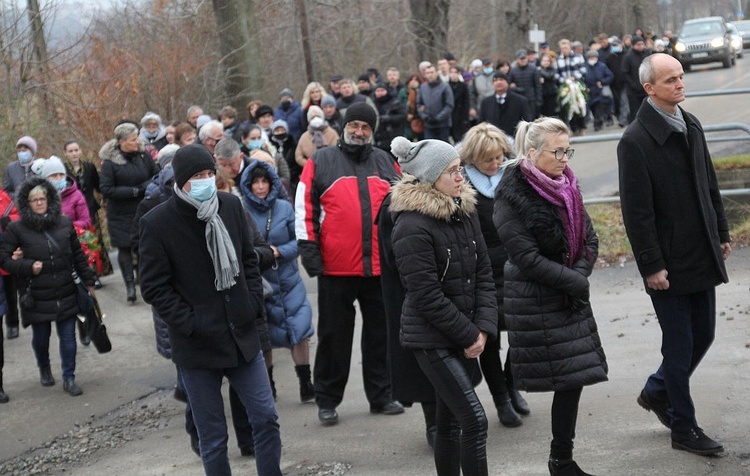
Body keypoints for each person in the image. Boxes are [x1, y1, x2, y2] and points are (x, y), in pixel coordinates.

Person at [138, 144, 282, 475]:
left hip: (242, 334)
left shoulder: (230, 206)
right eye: (197, 176)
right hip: (197, 346)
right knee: (213, 437)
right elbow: (155, 288)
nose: (205, 181)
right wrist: (192, 323)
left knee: (266, 417)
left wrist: (252, 304)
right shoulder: (157, 223)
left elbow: (249, 259)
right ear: (180, 180)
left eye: (208, 174)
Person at [617, 53, 730, 457]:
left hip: (700, 251)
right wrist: (651, 264)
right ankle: (683, 427)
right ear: (649, 89)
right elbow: (637, 211)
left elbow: (709, 183)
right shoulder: (634, 141)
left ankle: (655, 390)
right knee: (679, 346)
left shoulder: (691, 123)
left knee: (705, 334)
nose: (680, 84)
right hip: (667, 261)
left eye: (680, 77)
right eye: (671, 80)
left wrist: (720, 230)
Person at [494, 117, 608, 475]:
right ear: (531, 153)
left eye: (567, 150)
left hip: (567, 294)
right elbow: (526, 258)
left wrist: (578, 275)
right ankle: (560, 459)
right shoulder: (511, 196)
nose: (565, 158)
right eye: (557, 151)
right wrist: (574, 281)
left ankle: (561, 459)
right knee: (568, 378)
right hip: (536, 299)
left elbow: (589, 238)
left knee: (573, 379)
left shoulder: (567, 187)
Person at [389, 136, 498, 476]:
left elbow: (483, 272)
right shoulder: (410, 225)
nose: (460, 177)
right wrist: (470, 335)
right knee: (475, 421)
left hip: (464, 332)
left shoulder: (464, 210)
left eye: (459, 168)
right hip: (432, 340)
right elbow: (425, 295)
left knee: (449, 424)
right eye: (451, 171)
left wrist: (484, 327)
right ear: (429, 177)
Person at [295, 102, 403, 425]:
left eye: (365, 127)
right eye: (354, 125)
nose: (359, 132)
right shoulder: (321, 161)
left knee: (381, 335)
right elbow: (304, 209)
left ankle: (382, 394)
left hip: (379, 268)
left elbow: (401, 209)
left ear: (373, 131)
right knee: (333, 337)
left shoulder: (386, 162)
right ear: (343, 127)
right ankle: (327, 399)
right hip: (335, 268)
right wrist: (310, 252)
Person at [460, 123, 530, 428]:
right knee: (489, 339)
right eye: (488, 159)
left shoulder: (512, 179)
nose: (495, 163)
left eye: (499, 156)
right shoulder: (462, 185)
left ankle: (511, 383)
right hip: (482, 272)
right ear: (473, 158)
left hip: (515, 267)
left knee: (520, 332)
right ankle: (501, 398)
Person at [0, 177, 96, 397]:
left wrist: (88, 281)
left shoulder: (64, 222)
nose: (39, 203)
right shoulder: (17, 229)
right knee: (41, 339)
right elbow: (4, 259)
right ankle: (44, 366)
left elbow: (78, 255)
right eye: (34, 200)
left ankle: (69, 377)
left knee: (69, 337)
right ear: (26, 202)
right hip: (36, 294)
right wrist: (26, 266)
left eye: (42, 198)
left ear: (50, 199)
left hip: (65, 289)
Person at [240, 161, 315, 402]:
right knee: (266, 336)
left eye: (265, 182)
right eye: (256, 182)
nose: (261, 187)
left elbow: (299, 241)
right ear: (248, 185)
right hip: (261, 282)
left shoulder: (284, 207)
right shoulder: (241, 210)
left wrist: (279, 252)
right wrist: (261, 256)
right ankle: (268, 385)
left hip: (289, 279)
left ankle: (306, 382)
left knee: (299, 329)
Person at [99, 122, 160, 303]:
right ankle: (130, 287)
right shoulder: (110, 162)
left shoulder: (143, 154)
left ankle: (145, 281)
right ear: (122, 141)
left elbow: (156, 174)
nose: (137, 142)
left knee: (144, 245)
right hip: (120, 213)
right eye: (133, 139)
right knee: (125, 248)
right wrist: (134, 191)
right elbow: (106, 189)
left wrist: (145, 187)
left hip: (142, 208)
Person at [478, 72, 532, 142]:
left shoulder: (520, 101)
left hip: (514, 141)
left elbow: (526, 123)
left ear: (507, 83)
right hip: (493, 142)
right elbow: (481, 124)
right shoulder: (486, 102)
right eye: (495, 80)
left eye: (501, 79)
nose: (498, 82)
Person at [0, 189, 20, 340]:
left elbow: (17, 215)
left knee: (9, 291)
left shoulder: (4, 197)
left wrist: (8, 220)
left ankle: (12, 323)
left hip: (5, 249)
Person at [417, 64, 454, 142]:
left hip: (443, 124)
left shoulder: (445, 86)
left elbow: (449, 105)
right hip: (428, 124)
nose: (430, 75)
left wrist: (438, 118)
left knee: (443, 148)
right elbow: (419, 104)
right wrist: (425, 116)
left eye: (432, 72)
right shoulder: (423, 87)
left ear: (436, 73)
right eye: (427, 73)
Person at [583, 50, 614, 131]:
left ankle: (597, 124)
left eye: (594, 57)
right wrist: (586, 87)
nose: (592, 59)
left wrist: (603, 82)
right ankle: (599, 121)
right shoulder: (585, 67)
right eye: (591, 57)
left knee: (599, 108)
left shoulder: (602, 66)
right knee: (593, 108)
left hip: (600, 91)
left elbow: (610, 76)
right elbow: (583, 79)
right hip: (590, 92)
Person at [622, 36, 650, 124]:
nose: (641, 46)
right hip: (633, 90)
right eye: (638, 44)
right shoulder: (628, 57)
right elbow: (625, 73)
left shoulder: (646, 54)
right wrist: (633, 84)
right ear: (633, 45)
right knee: (634, 112)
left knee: (648, 110)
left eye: (642, 44)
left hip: (646, 88)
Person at [372, 82, 407, 152]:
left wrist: (389, 118)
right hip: (378, 137)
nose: (380, 93)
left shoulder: (395, 102)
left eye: (382, 90)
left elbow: (403, 116)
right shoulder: (372, 103)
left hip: (392, 135)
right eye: (378, 91)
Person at [509, 49, 542, 119]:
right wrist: (515, 89)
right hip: (518, 99)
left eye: (524, 58)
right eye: (521, 59)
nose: (523, 60)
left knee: (531, 119)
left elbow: (538, 85)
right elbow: (509, 85)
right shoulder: (513, 71)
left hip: (531, 99)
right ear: (517, 59)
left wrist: (539, 100)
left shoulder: (533, 69)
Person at [448, 66, 470, 143]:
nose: (453, 74)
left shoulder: (463, 86)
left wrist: (465, 118)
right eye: (452, 72)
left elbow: (466, 103)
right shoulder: (446, 86)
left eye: (455, 72)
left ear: (459, 74)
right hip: (449, 116)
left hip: (460, 117)